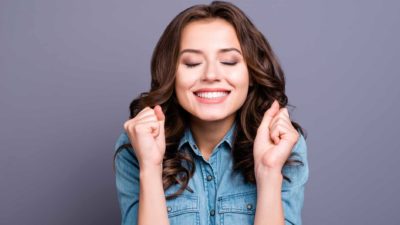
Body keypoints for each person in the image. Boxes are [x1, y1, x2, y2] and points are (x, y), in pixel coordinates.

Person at [113, 1, 309, 225]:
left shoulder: (284, 144)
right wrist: (150, 167)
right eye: (193, 63)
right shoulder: (136, 145)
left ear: (253, 74)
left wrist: (269, 171)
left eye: (228, 61)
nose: (211, 75)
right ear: (171, 75)